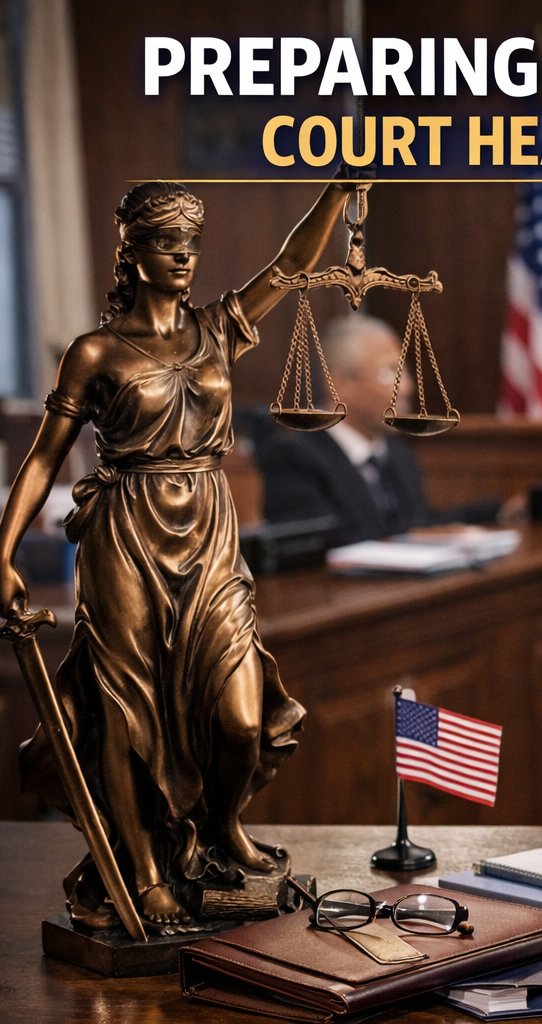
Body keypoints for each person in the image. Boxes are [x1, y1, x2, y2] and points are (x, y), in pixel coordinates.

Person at [0, 177, 359, 929]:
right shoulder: (95, 351)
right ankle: (142, 872)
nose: (184, 260)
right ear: (131, 255)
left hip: (211, 531)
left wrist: (337, 191)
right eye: (167, 246)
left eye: (190, 246)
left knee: (239, 718)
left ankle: (222, 826)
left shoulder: (216, 326)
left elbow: (291, 265)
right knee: (126, 715)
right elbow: (41, 459)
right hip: (125, 534)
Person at [256, 312, 502, 543]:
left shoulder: (396, 453)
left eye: (403, 373)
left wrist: (499, 511)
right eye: (388, 374)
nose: (406, 388)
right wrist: (420, 535)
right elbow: (326, 543)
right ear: (339, 384)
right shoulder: (293, 458)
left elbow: (421, 522)